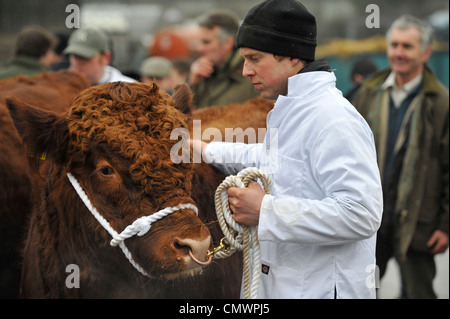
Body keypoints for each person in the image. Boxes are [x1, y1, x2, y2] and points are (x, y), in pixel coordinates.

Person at [191, 0, 383, 299]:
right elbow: (271, 159)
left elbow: (361, 213)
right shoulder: (296, 108)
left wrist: (264, 211)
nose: (245, 71)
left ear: (292, 56)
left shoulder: (333, 119)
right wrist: (204, 151)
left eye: (254, 58)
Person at [353, 15, 449, 299]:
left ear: (426, 52)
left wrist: (445, 226)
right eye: (394, 45)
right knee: (363, 291)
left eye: (407, 46)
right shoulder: (367, 94)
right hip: (370, 219)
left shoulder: (441, 103)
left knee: (417, 294)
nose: (398, 53)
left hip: (419, 223)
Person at [189, 9, 259, 108]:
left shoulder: (253, 78)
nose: (200, 49)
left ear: (228, 43)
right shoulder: (200, 76)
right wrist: (192, 85)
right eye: (199, 42)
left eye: (207, 42)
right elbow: (188, 119)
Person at [63, 28, 136, 85]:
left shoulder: (130, 91)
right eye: (75, 56)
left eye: (85, 57)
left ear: (106, 58)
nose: (78, 63)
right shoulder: (60, 88)